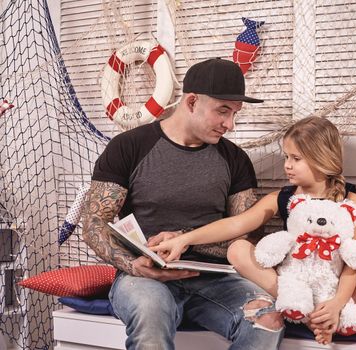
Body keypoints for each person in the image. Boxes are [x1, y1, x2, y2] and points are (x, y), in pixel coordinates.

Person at [81, 58, 285, 350]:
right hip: (144, 277)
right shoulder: (128, 147)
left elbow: (246, 237)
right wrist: (134, 265)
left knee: (267, 317)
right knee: (150, 314)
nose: (230, 124)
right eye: (223, 111)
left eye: (235, 113)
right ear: (191, 102)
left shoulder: (234, 159)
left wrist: (185, 242)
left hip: (214, 280)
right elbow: (93, 223)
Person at [150, 116, 356, 344]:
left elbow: (355, 261)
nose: (287, 165)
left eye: (295, 159)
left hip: (339, 282)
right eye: (286, 157)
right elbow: (236, 224)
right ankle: (304, 311)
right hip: (296, 281)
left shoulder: (352, 202)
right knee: (239, 248)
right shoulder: (282, 197)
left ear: (322, 160)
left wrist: (338, 301)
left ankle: (326, 312)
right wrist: (186, 239)